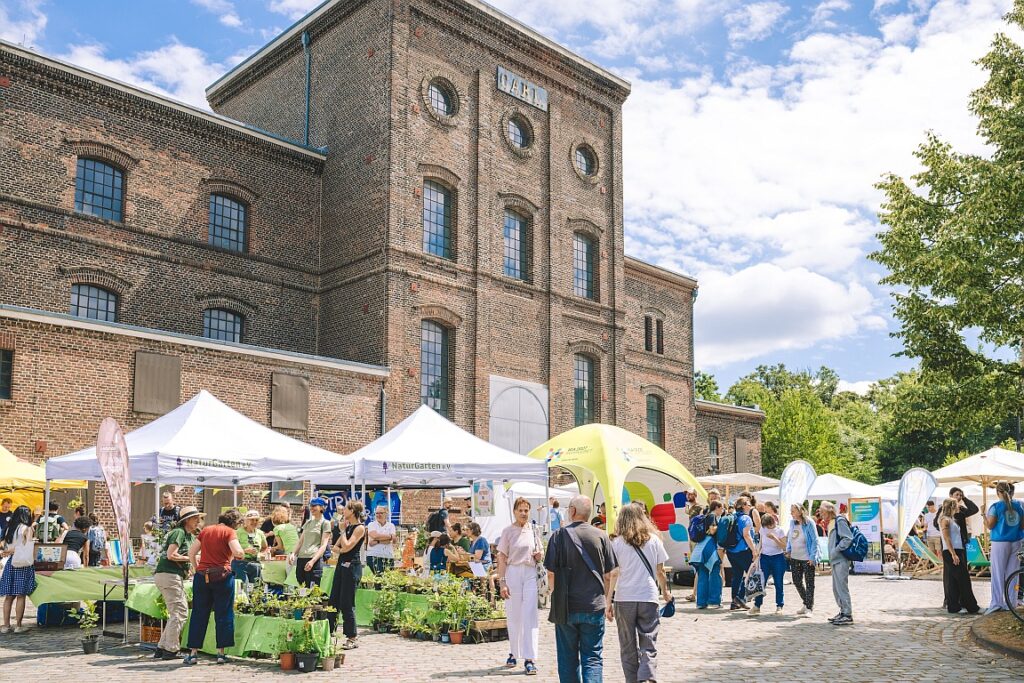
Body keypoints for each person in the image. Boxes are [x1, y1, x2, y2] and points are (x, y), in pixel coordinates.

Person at [544, 495, 616, 683]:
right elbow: (610, 574)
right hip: (594, 605)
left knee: (567, 659)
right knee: (592, 657)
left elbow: (550, 573)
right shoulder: (601, 536)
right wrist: (608, 601)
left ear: (573, 511)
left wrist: (554, 593)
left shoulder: (558, 536)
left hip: (566, 606)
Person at [607, 503, 672, 683]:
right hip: (648, 596)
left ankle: (632, 680)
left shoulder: (616, 543)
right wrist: (665, 592)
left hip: (624, 598)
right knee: (649, 642)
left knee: (627, 645)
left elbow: (613, 573)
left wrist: (608, 601)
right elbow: (660, 572)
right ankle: (646, 678)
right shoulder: (654, 540)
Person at [184, 508, 244, 665]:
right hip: (222, 577)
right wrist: (243, 552)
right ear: (235, 523)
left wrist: (197, 568)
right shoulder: (229, 532)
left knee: (198, 613)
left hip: (202, 576)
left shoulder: (206, 530)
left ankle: (193, 653)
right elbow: (238, 552)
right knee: (223, 613)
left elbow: (191, 552)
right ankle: (220, 653)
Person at [497, 497, 544, 676]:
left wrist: (539, 555)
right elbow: (501, 557)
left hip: (530, 572)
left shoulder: (533, 530)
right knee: (514, 614)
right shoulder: (508, 531)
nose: (524, 513)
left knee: (530, 614)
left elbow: (539, 553)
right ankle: (513, 652)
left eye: (526, 510)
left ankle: (530, 658)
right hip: (513, 572)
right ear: (514, 512)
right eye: (521, 510)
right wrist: (502, 582)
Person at [152, 506, 203, 661]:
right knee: (180, 612)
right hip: (169, 575)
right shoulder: (179, 532)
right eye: (195, 518)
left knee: (176, 613)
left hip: (171, 575)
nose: (198, 521)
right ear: (187, 520)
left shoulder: (189, 536)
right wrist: (191, 559)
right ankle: (171, 649)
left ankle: (162, 647)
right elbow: (171, 555)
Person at [328, 500, 365, 650]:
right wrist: (341, 547)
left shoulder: (359, 528)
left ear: (353, 511)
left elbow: (348, 546)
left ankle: (352, 636)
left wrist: (343, 532)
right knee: (334, 599)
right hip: (341, 565)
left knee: (347, 602)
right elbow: (336, 546)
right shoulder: (348, 527)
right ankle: (329, 632)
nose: (343, 511)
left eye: (347, 509)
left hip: (352, 567)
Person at [985, 481, 1024, 614]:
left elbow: (990, 525)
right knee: (1013, 574)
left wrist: (982, 515)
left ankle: (996, 603)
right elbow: (1022, 526)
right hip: (1016, 541)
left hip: (1000, 542)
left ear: (997, 492)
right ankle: (1011, 603)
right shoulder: (1018, 506)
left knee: (997, 573)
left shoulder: (996, 506)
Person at [938, 497, 980, 614]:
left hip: (958, 550)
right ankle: (972, 607)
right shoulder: (945, 519)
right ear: (952, 506)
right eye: (957, 505)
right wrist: (953, 554)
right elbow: (947, 537)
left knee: (953, 580)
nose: (959, 507)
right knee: (964, 579)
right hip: (952, 551)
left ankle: (953, 606)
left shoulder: (951, 519)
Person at [0, 506, 36, 633]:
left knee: (9, 596)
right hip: (23, 563)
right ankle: (18, 626)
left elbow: (5, 545)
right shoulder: (26, 529)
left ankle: (5, 626)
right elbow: (28, 546)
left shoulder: (9, 528)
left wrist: (9, 551)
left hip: (11, 562)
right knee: (21, 595)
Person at [820, 501, 854, 626]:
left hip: (841, 559)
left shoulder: (839, 520)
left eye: (823, 512)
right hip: (835, 559)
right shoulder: (832, 522)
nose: (821, 515)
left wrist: (836, 550)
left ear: (829, 511)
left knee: (841, 587)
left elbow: (848, 538)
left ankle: (847, 614)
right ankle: (842, 611)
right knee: (836, 588)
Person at [751, 512, 786, 615]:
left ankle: (779, 605)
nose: (769, 527)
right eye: (767, 526)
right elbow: (761, 542)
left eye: (770, 524)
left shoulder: (780, 530)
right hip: (765, 558)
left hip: (777, 558)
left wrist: (774, 538)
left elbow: (783, 546)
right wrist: (757, 551)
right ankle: (757, 605)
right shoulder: (763, 529)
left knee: (778, 582)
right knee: (761, 581)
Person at [726, 496, 757, 610]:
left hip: (731, 551)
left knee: (737, 576)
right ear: (743, 506)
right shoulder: (746, 518)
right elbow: (746, 535)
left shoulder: (732, 516)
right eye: (748, 504)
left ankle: (734, 601)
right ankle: (740, 598)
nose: (750, 506)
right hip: (743, 551)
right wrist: (754, 550)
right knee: (752, 574)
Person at [787, 503, 817, 616]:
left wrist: (813, 556)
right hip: (795, 557)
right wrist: (788, 549)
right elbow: (790, 537)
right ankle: (806, 602)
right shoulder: (792, 523)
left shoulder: (809, 522)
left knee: (809, 583)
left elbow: (815, 540)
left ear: (800, 511)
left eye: (793, 511)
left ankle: (809, 607)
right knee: (797, 581)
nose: (791, 513)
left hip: (807, 558)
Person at [293, 497, 331, 588]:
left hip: (314, 559)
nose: (312, 508)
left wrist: (312, 561)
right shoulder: (308, 523)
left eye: (314, 506)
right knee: (301, 588)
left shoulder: (325, 523)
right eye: (311, 506)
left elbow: (323, 545)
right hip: (301, 558)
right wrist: (293, 554)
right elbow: (300, 541)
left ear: (322, 508)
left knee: (312, 590)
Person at [692, 500, 723, 609]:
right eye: (722, 508)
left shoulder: (705, 516)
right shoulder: (712, 516)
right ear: (717, 507)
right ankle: (714, 601)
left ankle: (701, 602)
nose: (722, 511)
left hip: (700, 547)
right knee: (715, 571)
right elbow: (712, 530)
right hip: (709, 546)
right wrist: (722, 527)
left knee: (703, 574)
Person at [233, 510, 267, 586]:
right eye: (252, 520)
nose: (254, 522)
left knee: (255, 589)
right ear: (246, 521)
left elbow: (265, 547)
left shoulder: (260, 533)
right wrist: (244, 551)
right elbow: (232, 550)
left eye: (256, 520)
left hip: (255, 564)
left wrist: (261, 554)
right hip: (240, 564)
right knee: (242, 587)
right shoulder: (238, 532)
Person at [366, 505, 397, 574]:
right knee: (378, 580)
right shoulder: (371, 524)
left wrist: (377, 541)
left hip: (388, 556)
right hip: (374, 556)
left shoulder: (391, 525)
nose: (378, 515)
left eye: (381, 513)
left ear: (386, 513)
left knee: (389, 581)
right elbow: (375, 536)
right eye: (376, 513)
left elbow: (394, 540)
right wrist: (389, 537)